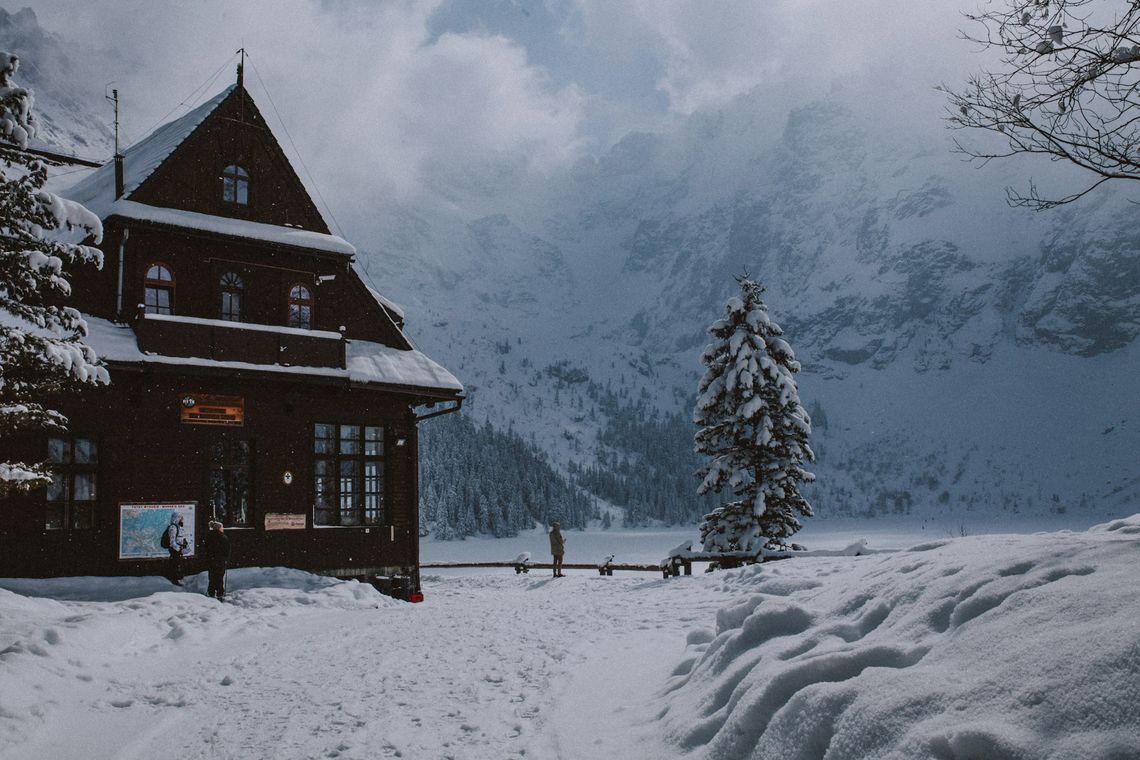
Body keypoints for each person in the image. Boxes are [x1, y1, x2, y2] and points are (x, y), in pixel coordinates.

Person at [203, 520, 231, 601]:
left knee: (212, 577)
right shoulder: (223, 537)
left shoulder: (209, 537)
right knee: (219, 578)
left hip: (211, 560)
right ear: (219, 528)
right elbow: (227, 550)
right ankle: (220, 594)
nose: (223, 529)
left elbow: (206, 549)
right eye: (222, 527)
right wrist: (226, 559)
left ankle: (211, 592)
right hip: (220, 561)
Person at [166, 512, 188, 586]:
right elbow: (172, 542)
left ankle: (178, 578)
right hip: (175, 550)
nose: (182, 519)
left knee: (178, 564)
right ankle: (175, 580)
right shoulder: (173, 527)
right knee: (175, 564)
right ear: (177, 518)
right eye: (180, 518)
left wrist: (184, 544)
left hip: (178, 550)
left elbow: (180, 538)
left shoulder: (178, 527)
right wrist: (179, 549)